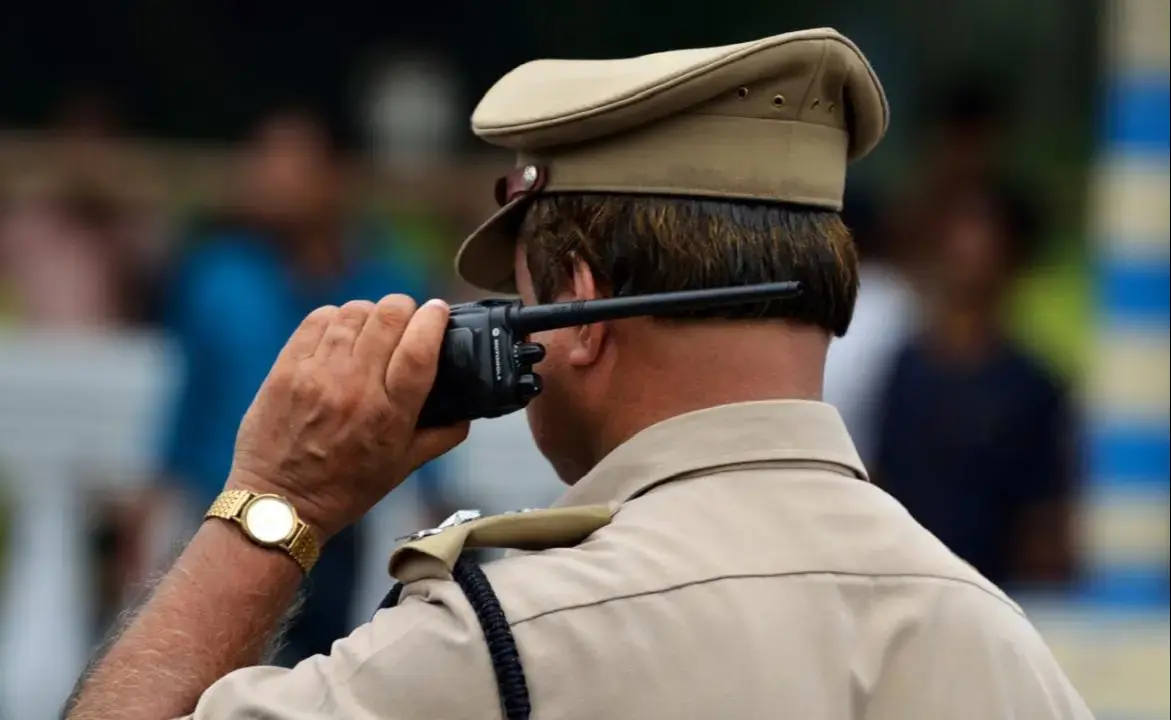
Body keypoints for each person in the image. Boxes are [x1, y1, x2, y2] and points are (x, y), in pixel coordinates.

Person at [65, 29, 1092, 720]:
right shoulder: (998, 646)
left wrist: (274, 505)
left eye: (520, 295)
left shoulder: (498, 645)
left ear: (581, 311)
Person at [145, 107, 450, 667]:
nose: (273, 179)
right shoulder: (215, 277)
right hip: (223, 511)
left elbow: (424, 407)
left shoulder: (389, 284)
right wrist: (152, 505)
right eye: (263, 160)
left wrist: (435, 500)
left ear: (336, 175)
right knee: (215, 669)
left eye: (292, 162)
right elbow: (188, 405)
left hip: (345, 521)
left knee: (334, 669)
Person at [873, 180, 1077, 590]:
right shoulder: (904, 367)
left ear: (1012, 261)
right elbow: (883, 482)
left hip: (995, 593)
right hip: (906, 585)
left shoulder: (1034, 387)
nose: (965, 254)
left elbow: (1043, 523)